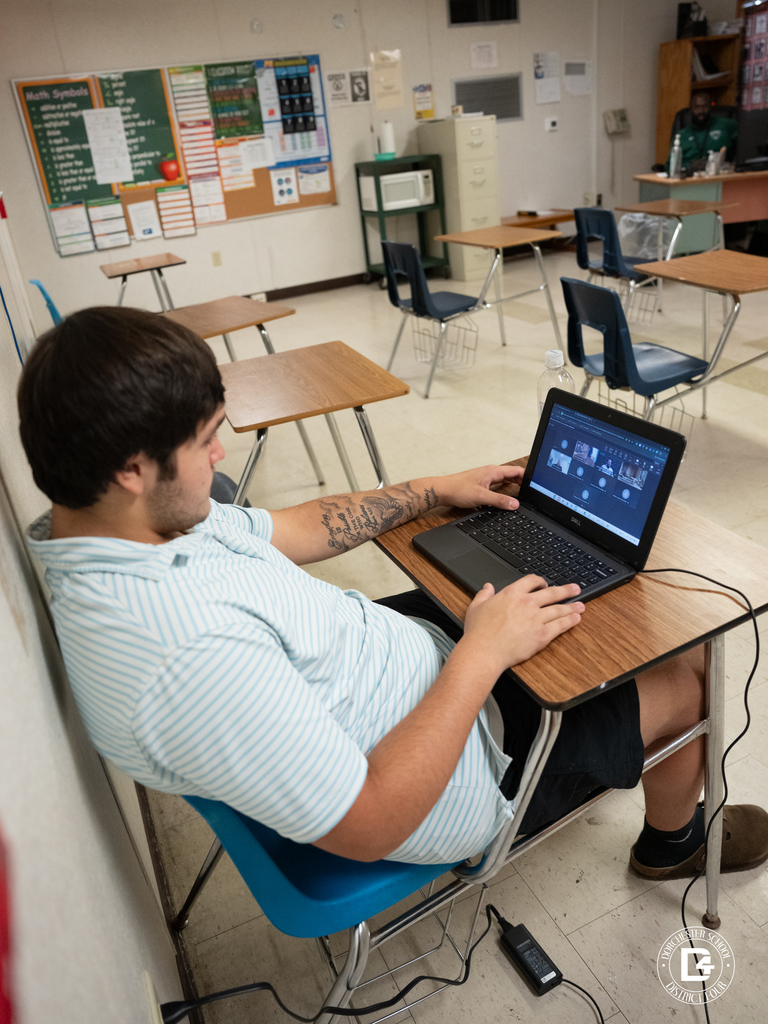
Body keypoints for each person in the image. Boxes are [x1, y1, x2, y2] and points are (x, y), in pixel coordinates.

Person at [18, 307, 768, 877]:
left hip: (406, 669)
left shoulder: (119, 527)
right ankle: (673, 845)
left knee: (596, 605)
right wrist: (482, 654)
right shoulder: (183, 654)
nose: (221, 455)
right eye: (205, 439)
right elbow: (370, 820)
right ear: (130, 469)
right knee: (689, 667)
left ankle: (609, 745)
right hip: (456, 769)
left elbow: (290, 527)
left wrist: (433, 489)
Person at [665, 90, 738, 173]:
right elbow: (669, 167)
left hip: (718, 176)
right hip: (688, 179)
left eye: (705, 106)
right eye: (697, 107)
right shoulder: (682, 136)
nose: (701, 111)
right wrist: (689, 166)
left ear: (710, 107)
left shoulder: (726, 125)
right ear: (691, 110)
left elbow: (744, 146)